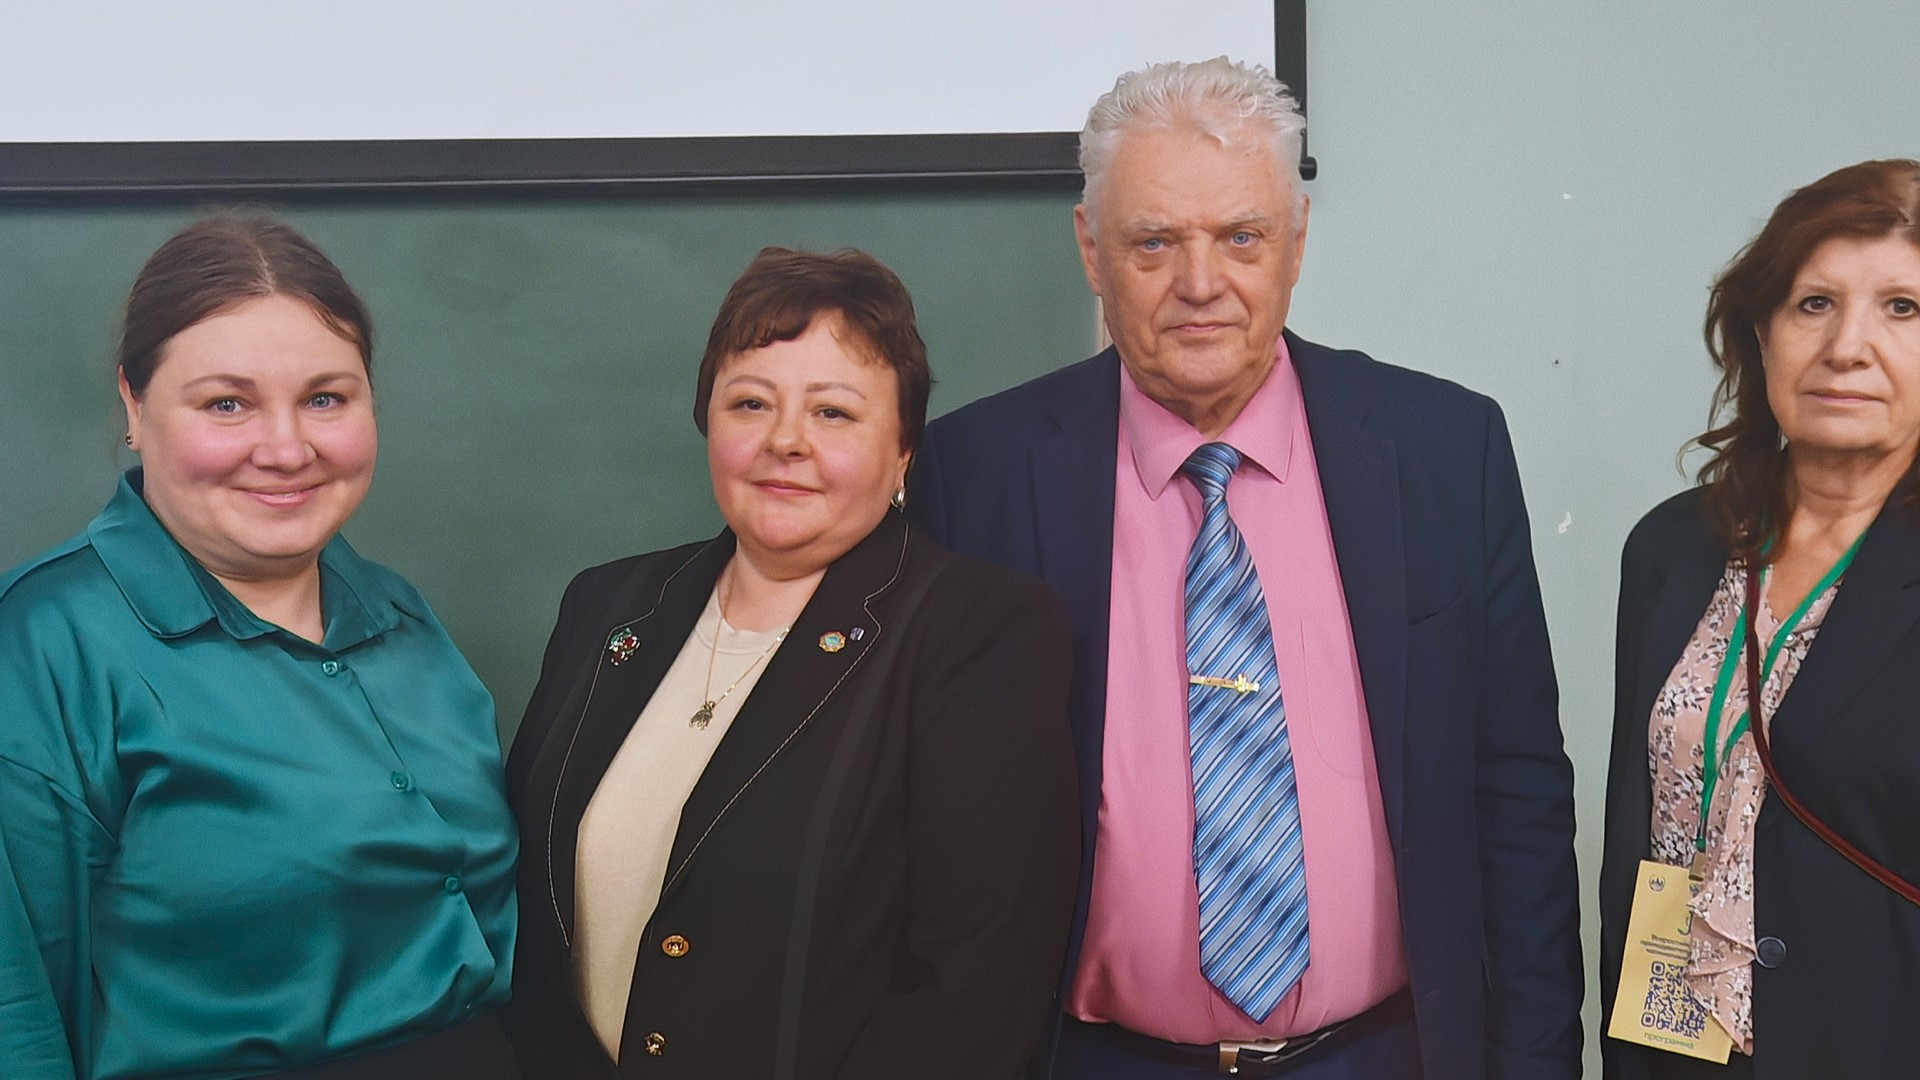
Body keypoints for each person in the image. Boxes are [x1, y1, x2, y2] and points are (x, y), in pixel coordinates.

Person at [910, 58, 1583, 1079]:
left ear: (1296, 240)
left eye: (1241, 237)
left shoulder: (1445, 449)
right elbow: (932, 834)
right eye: (1153, 242)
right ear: (1090, 249)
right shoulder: (980, 474)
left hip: (1385, 1056)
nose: (1200, 283)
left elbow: (1518, 795)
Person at [503, 246, 1079, 1078]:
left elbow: (977, 994)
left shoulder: (979, 633)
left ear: (903, 450)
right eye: (750, 403)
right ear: (709, 422)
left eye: (834, 413)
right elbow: (531, 925)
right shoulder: (608, 607)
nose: (785, 441)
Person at [0, 216, 520, 1079]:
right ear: (135, 404)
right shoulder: (41, 647)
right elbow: (13, 1011)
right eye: (227, 403)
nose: (286, 449)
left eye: (326, 398)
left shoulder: (402, 614)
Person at [1600, 159, 1920, 1080]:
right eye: (1814, 303)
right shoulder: (1672, 547)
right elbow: (1633, 834)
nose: (1848, 347)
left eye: (1902, 308)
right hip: (1673, 1046)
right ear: (1760, 332)